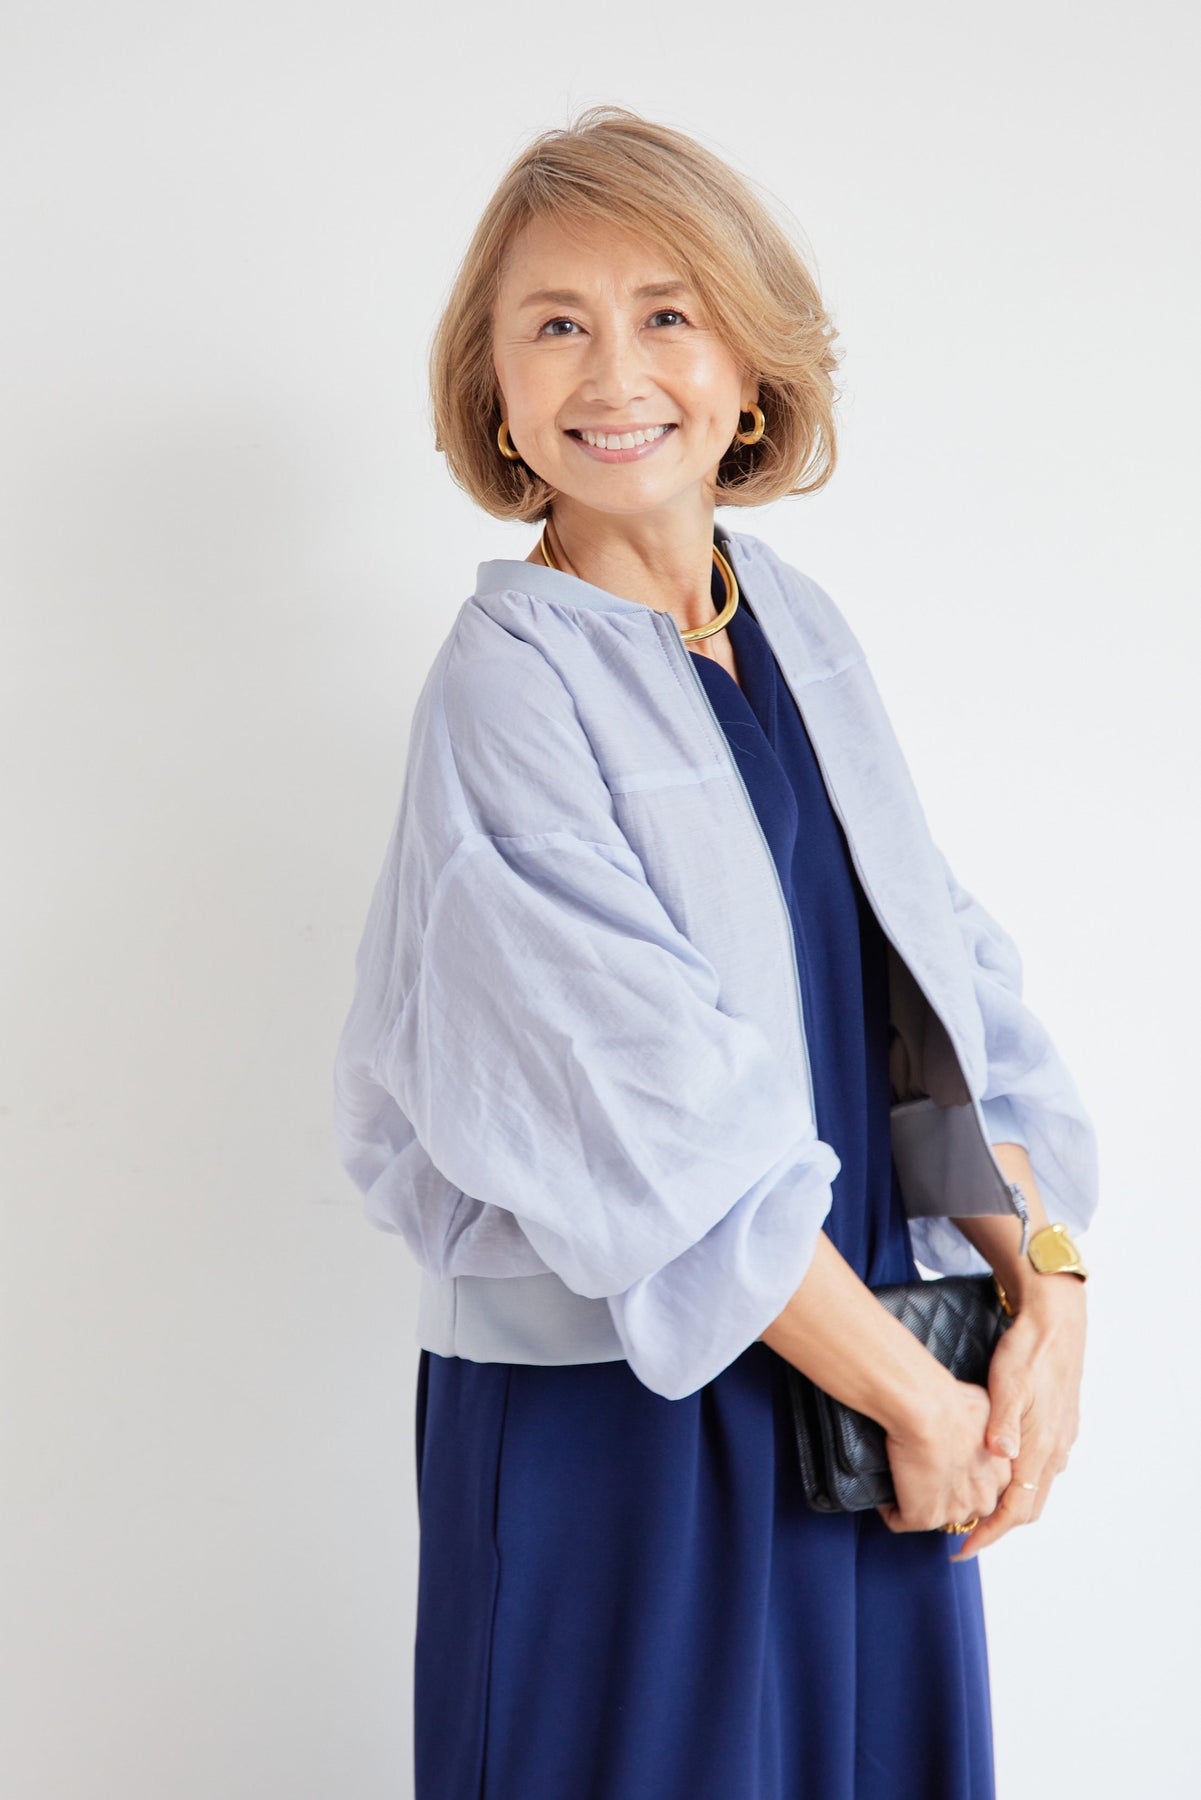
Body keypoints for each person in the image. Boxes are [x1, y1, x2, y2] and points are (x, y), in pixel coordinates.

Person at [332, 105, 1097, 1800]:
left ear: (750, 370)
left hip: (857, 1399)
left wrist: (1048, 1290)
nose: (614, 373)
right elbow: (647, 1125)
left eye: (666, 313)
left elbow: (933, 1000)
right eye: (554, 325)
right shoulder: (504, 689)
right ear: (495, 395)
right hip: (630, 1435)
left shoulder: (797, 628)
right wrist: (923, 1404)